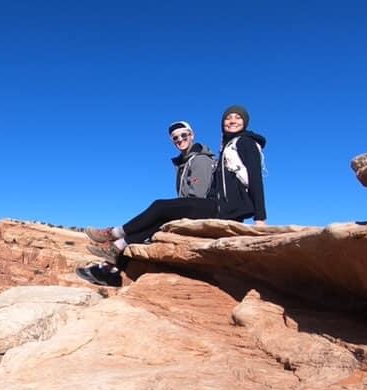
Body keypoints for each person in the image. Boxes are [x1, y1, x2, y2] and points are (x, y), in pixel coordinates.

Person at [84, 105, 267, 265]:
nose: (232, 120)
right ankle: (116, 249)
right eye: (228, 117)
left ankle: (114, 233)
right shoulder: (227, 147)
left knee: (160, 206)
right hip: (220, 206)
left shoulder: (245, 142)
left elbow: (255, 178)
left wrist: (260, 218)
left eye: (238, 117)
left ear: (245, 122)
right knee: (162, 217)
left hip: (225, 209)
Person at [76, 120, 216, 286]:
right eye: (175, 138)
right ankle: (110, 268)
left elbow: (198, 195)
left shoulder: (200, 159)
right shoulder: (184, 161)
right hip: (192, 207)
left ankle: (113, 234)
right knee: (149, 228)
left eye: (183, 135)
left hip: (205, 207)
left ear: (192, 135)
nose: (180, 140)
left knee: (159, 207)